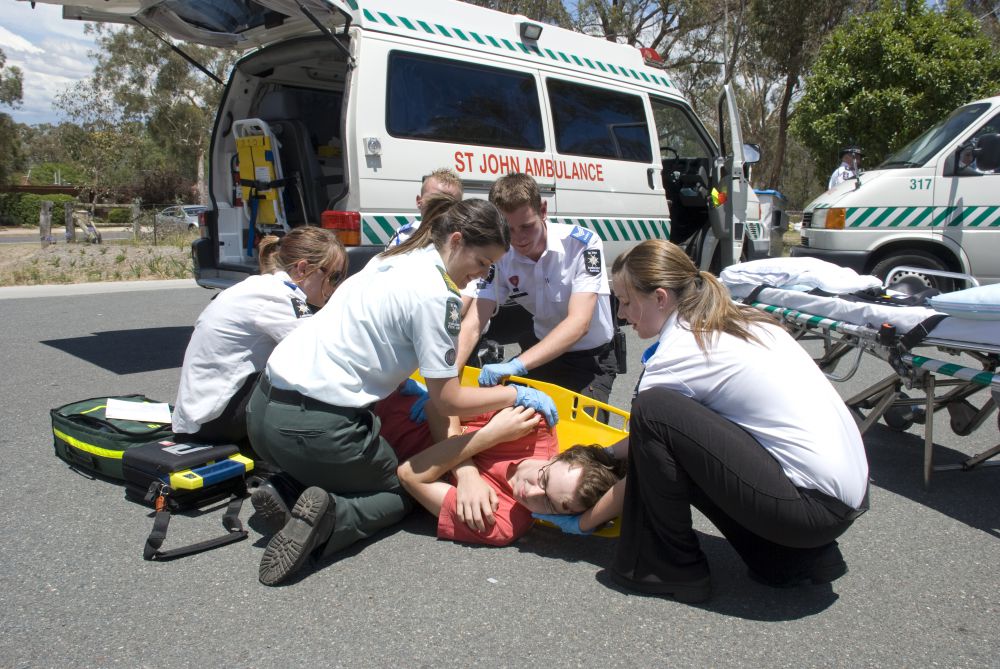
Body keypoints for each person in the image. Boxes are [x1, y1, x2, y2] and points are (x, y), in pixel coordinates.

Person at [245, 196, 559, 586]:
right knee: (403, 489)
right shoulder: (437, 296)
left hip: (261, 412)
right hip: (316, 428)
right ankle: (330, 521)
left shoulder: (391, 258)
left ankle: (288, 488)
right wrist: (515, 396)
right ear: (457, 240)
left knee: (383, 462)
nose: (478, 278)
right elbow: (447, 400)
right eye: (481, 264)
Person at [562, 239, 869, 603]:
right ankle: (791, 559)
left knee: (654, 408)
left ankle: (668, 569)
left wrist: (583, 517)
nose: (622, 315)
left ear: (660, 298)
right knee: (684, 431)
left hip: (809, 510)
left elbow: (648, 448)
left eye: (627, 302)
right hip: (845, 497)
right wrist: (606, 454)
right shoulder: (737, 317)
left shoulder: (680, 349)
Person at [376, 390, 623, 546]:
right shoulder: (532, 425)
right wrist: (468, 472)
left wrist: (489, 437)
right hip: (386, 390)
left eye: (550, 504)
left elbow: (409, 474)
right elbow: (440, 404)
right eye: (544, 479)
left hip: (373, 445)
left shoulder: (503, 520)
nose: (532, 493)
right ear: (557, 457)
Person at [171, 226, 346, 446]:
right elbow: (324, 352)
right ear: (302, 269)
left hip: (200, 414)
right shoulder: (278, 298)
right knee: (307, 376)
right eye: (334, 276)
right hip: (215, 420)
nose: (335, 286)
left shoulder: (263, 286)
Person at [457, 172, 618, 404]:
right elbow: (474, 322)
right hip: (541, 352)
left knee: (578, 435)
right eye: (508, 230)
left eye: (526, 226)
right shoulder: (502, 254)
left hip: (589, 359)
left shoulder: (582, 245)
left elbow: (579, 323)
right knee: (500, 415)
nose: (519, 238)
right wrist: (447, 379)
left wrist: (517, 365)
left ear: (543, 210)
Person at [387, 167, 464, 247]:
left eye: (449, 204)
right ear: (419, 201)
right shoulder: (404, 235)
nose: (441, 210)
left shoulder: (466, 242)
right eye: (434, 202)